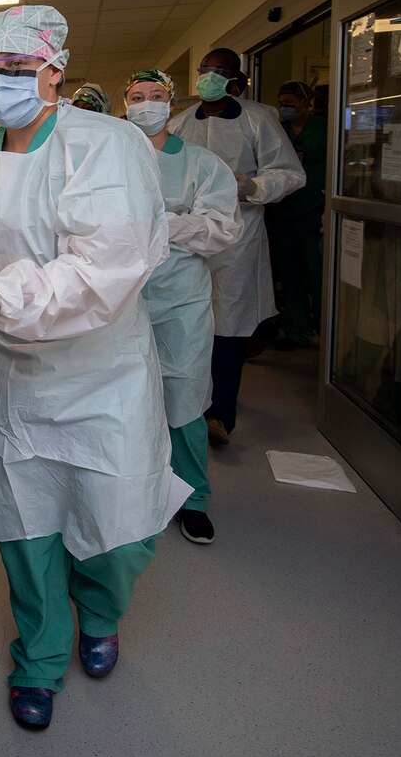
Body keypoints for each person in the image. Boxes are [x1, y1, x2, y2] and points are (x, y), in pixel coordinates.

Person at [0, 5, 188, 730]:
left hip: (102, 375)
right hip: (14, 378)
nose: (1, 83)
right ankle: (39, 656)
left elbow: (102, 274)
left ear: (55, 71)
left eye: (18, 70)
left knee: (119, 531)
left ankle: (100, 613)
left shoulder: (107, 145)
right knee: (26, 532)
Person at [123, 69, 241, 545]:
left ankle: (192, 498)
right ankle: (133, 493)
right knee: (123, 398)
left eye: (156, 96)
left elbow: (221, 229)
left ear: (171, 104)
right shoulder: (108, 159)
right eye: (136, 97)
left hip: (180, 299)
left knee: (185, 400)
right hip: (117, 296)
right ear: (124, 105)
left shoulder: (202, 163)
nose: (146, 104)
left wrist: (163, 225)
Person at [167, 49, 305, 446]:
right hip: (186, 239)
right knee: (187, 320)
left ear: (237, 82)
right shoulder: (179, 124)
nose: (209, 79)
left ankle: (220, 414)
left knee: (228, 326)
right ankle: (186, 405)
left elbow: (291, 173)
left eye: (219, 73)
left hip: (237, 239)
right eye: (204, 72)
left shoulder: (258, 119)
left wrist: (253, 186)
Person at [267, 81, 327, 350]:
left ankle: (325, 331)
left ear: (306, 102)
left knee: (318, 275)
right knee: (290, 275)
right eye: (282, 103)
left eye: (290, 103)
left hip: (315, 212)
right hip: (285, 214)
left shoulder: (325, 130)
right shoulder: (278, 132)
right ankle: (297, 329)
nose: (284, 108)